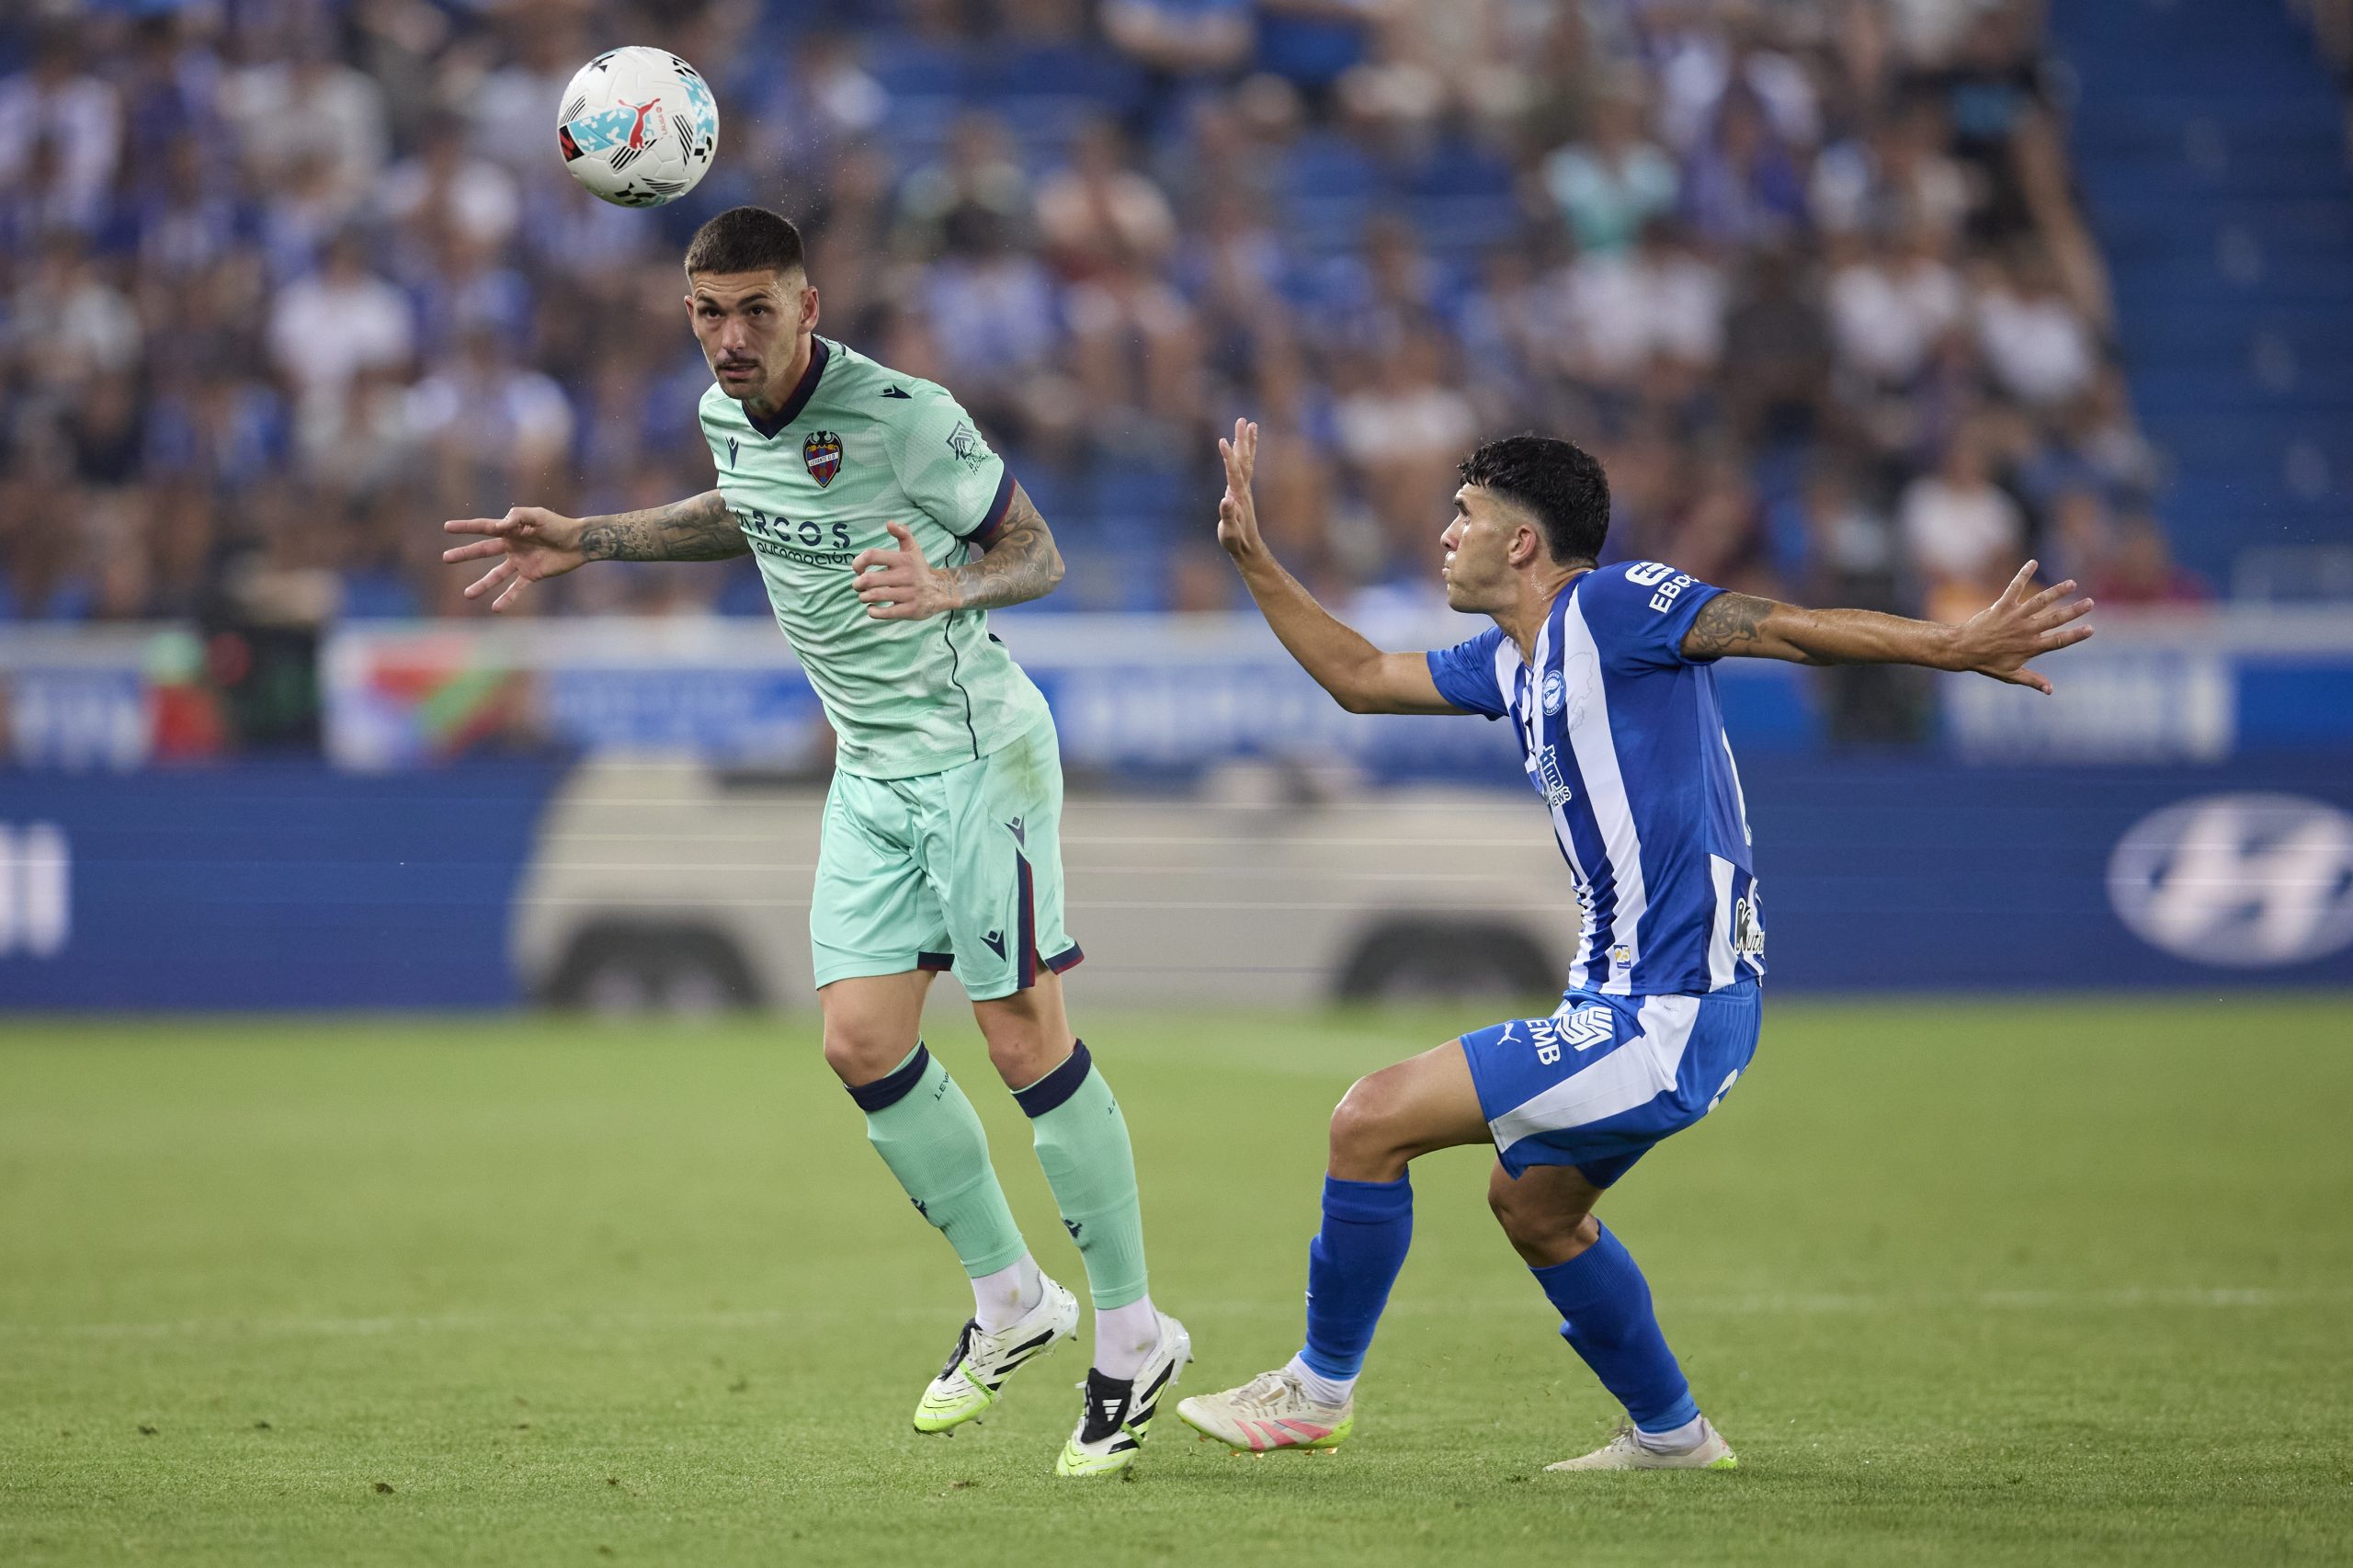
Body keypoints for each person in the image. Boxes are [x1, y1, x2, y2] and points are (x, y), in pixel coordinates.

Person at [1176, 423, 2093, 1469]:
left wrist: (1948, 643)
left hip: (1666, 1009)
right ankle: (1672, 1435)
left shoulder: (1610, 605)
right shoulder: (1510, 663)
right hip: (1626, 1003)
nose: (1443, 535)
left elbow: (1779, 628)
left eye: (1464, 515)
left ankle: (1315, 1390)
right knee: (1537, 1209)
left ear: (1521, 543)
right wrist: (1254, 558)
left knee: (1368, 1120)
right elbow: (1360, 674)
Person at [440, 208, 1187, 1479]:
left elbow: (1038, 549)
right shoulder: (722, 412)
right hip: (869, 770)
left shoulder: (907, 413)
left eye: (755, 312)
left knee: (1021, 1036)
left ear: (809, 306)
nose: (730, 338)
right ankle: (1013, 1298)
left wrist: (953, 583)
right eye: (708, 313)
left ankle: (1133, 1333)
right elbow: (751, 510)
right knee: (859, 1040)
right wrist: (594, 539)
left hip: (975, 755)